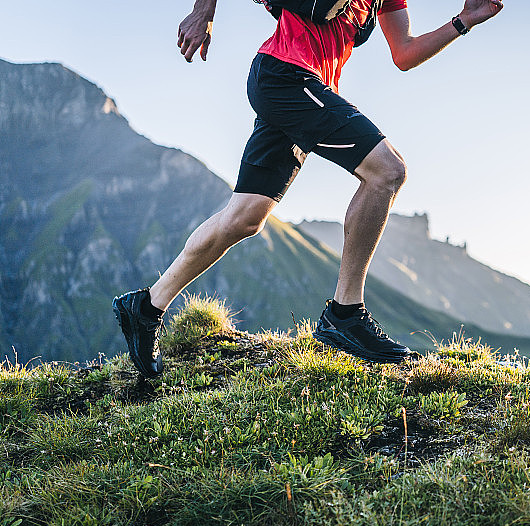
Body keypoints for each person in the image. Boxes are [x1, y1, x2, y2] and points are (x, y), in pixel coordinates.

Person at [113, 0, 504, 377]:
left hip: (303, 87)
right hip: (285, 77)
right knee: (387, 171)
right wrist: (203, 10)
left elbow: (404, 53)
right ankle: (345, 314)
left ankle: (146, 308)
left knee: (245, 218)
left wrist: (464, 20)